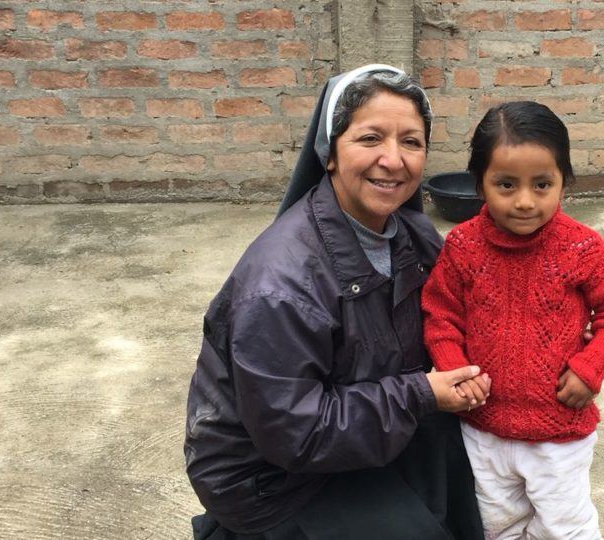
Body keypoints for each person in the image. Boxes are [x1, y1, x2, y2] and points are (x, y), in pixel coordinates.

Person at [183, 64, 490, 539]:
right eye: (370, 139)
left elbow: (464, 311)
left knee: (478, 492)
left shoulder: (412, 235)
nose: (393, 160)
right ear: (329, 153)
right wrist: (421, 394)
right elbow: (297, 434)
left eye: (411, 141)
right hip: (275, 478)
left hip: (363, 423)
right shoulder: (280, 286)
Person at [421, 101, 604, 539]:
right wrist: (455, 370)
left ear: (564, 182)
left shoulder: (581, 248)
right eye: (506, 184)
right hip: (483, 429)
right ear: (480, 185)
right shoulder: (463, 246)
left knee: (564, 527)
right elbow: (441, 313)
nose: (524, 201)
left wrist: (589, 367)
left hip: (558, 432)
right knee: (494, 524)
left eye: (542, 184)